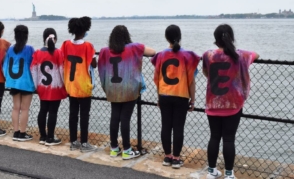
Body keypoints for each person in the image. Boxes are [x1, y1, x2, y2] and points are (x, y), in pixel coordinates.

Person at [202, 24, 259, 179]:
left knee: (214, 137)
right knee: (229, 138)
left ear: (215, 39)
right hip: (233, 104)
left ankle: (211, 171)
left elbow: (206, 72)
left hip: (213, 102)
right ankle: (229, 174)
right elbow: (256, 54)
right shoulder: (240, 55)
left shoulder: (208, 54)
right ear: (231, 37)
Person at [98, 25, 155, 160]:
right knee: (125, 119)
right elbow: (153, 52)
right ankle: (127, 149)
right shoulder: (134, 47)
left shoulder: (105, 51)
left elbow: (101, 70)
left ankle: (114, 148)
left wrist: (106, 87)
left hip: (113, 89)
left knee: (115, 117)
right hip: (129, 89)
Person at [151, 25, 200, 168]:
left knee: (166, 126)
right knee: (178, 127)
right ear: (180, 36)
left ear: (166, 37)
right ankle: (177, 158)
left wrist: (159, 98)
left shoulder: (160, 55)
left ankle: (167, 157)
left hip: (164, 94)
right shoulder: (188, 55)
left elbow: (157, 79)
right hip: (181, 95)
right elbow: (191, 81)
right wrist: (193, 100)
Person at [60, 16, 97, 152]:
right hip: (84, 85)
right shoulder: (88, 46)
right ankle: (85, 143)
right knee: (84, 115)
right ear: (85, 29)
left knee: (73, 114)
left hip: (71, 84)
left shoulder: (65, 44)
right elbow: (94, 64)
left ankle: (73, 141)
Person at [31, 28, 67, 146]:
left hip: (42, 87)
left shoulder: (37, 53)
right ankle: (50, 137)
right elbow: (62, 71)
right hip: (55, 87)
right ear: (55, 38)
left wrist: (36, 85)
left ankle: (42, 136)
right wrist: (64, 85)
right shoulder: (58, 52)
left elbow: (33, 70)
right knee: (53, 112)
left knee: (43, 110)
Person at [3, 25, 35, 141]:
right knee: (25, 109)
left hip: (14, 82)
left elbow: (5, 65)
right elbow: (34, 65)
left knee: (15, 108)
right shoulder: (29, 49)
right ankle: (23, 133)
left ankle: (16, 132)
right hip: (26, 82)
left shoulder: (10, 49)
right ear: (26, 35)